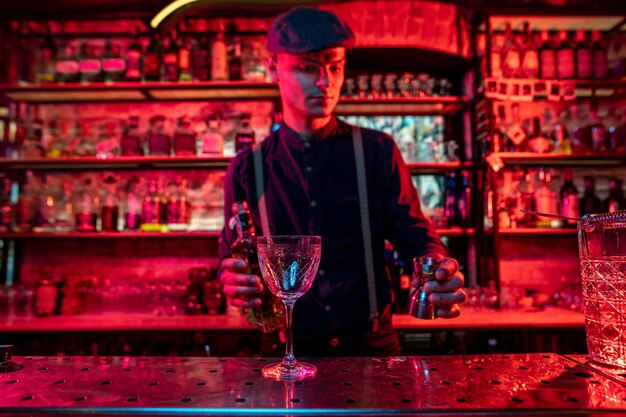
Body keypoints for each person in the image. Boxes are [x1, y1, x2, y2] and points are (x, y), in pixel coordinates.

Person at [217, 6, 466, 356]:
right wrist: (232, 280)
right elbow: (230, 256)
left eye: (335, 67)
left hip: (370, 345)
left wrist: (438, 267)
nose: (325, 82)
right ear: (273, 68)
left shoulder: (377, 151)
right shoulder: (247, 168)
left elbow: (414, 234)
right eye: (307, 68)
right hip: (285, 348)